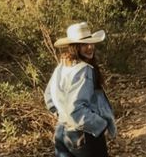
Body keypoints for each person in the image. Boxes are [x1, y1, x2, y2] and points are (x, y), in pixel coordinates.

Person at [44, 22, 116, 157]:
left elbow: (49, 96)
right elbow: (76, 109)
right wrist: (100, 125)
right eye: (83, 44)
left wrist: (62, 117)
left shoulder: (63, 65)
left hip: (62, 131)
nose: (90, 47)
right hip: (84, 134)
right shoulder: (84, 70)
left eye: (91, 43)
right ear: (75, 47)